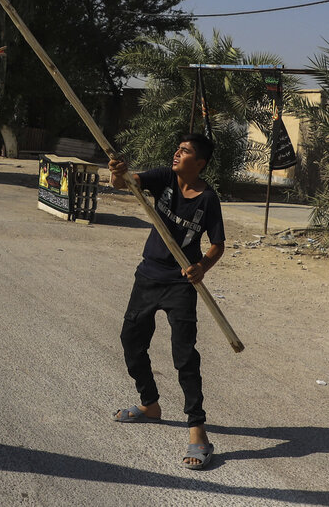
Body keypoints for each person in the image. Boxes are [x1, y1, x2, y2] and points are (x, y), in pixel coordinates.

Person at [107, 133, 225, 471]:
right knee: (131, 340)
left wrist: (201, 266)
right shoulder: (165, 178)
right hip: (148, 275)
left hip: (180, 284)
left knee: (184, 356)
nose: (177, 153)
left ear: (200, 163)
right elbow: (124, 183)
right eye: (177, 148)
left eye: (185, 151)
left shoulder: (208, 200)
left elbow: (217, 244)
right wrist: (117, 172)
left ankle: (197, 431)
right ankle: (150, 405)